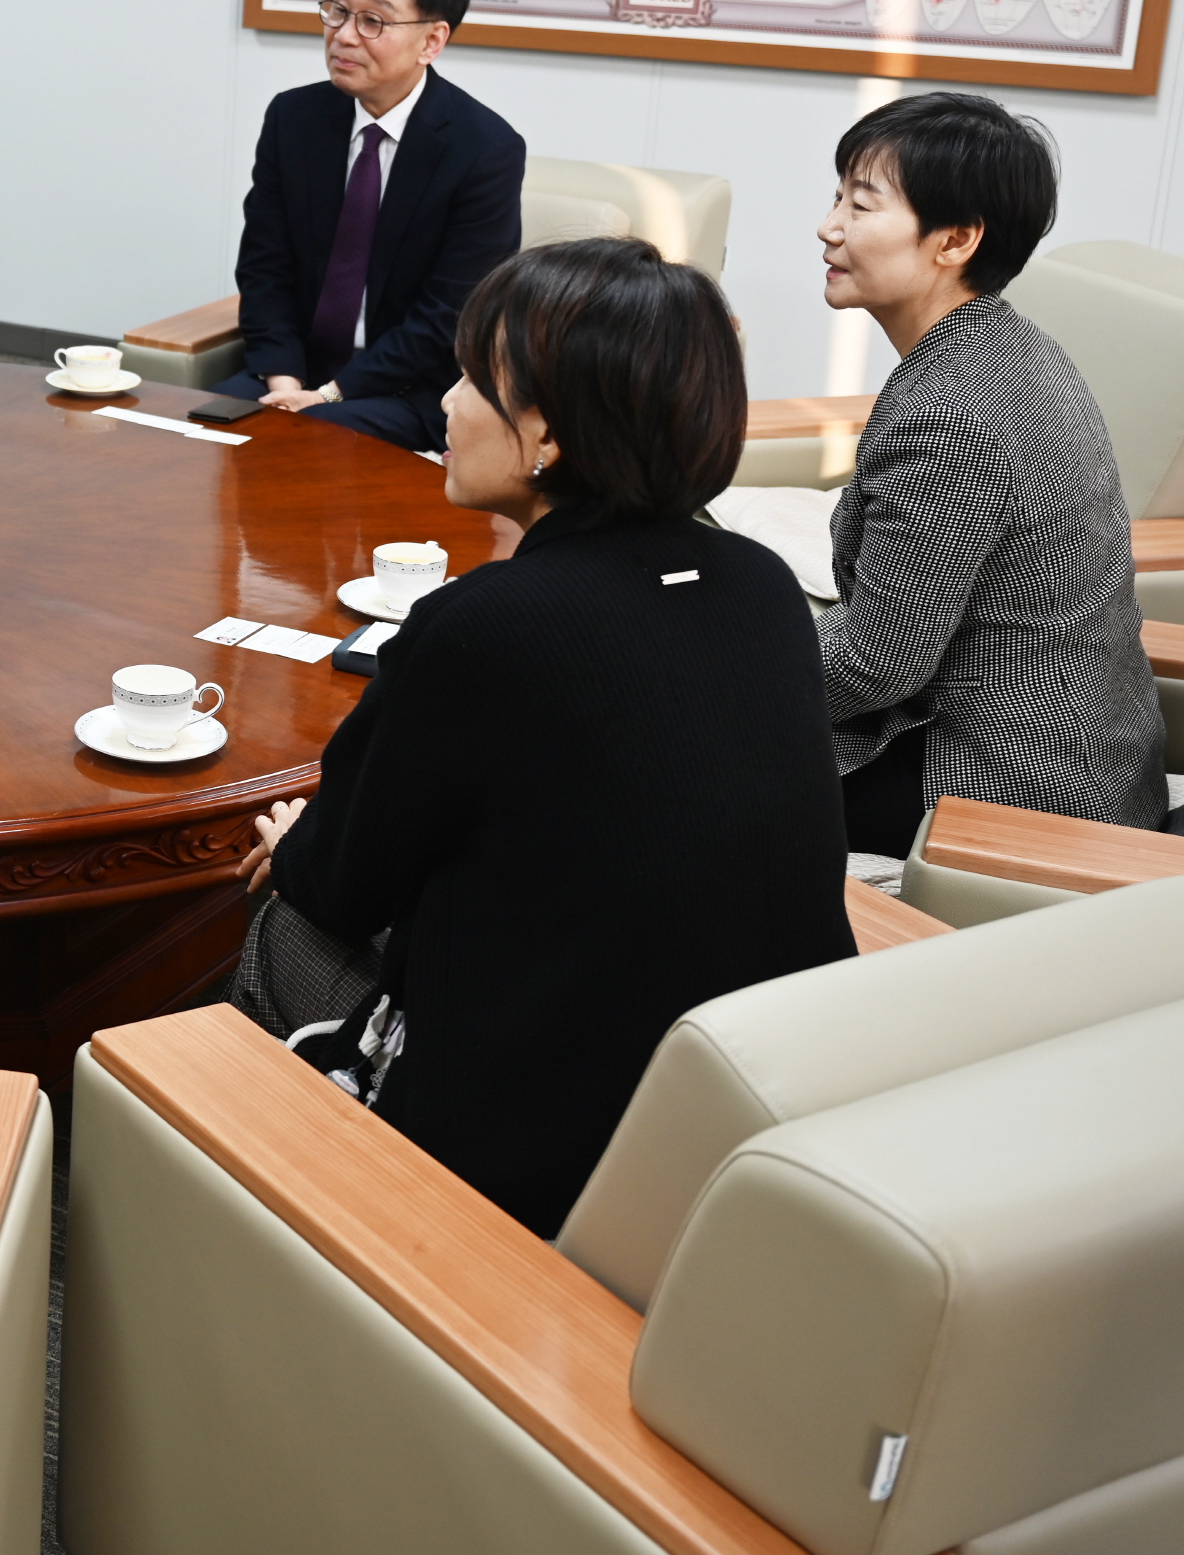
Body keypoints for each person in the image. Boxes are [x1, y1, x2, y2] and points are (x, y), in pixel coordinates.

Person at [242, 237, 855, 1236]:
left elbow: (345, 880)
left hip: (539, 1161)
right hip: (751, 1114)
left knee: (275, 927)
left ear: (548, 434)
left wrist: (293, 850)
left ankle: (290, 1221)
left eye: (470, 379)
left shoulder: (485, 626)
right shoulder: (764, 586)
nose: (445, 404)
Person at [813, 92, 1163, 851]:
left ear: (956, 240)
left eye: (861, 205)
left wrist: (723, 669)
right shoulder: (1010, 345)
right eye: (837, 197)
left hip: (1003, 779)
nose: (829, 226)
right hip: (1084, 747)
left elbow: (876, 665)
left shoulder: (951, 415)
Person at [215, 0, 524, 451]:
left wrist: (329, 396)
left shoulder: (484, 149)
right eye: (338, 11)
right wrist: (286, 383)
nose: (344, 36)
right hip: (294, 373)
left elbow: (450, 315)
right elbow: (265, 267)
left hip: (407, 390)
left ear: (431, 41)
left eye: (373, 20)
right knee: (200, 431)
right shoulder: (294, 118)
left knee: (307, 442)